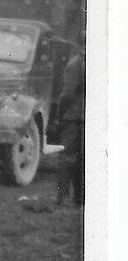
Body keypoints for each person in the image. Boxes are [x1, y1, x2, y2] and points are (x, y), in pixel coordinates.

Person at [53, 47, 85, 206]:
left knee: (66, 158)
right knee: (82, 158)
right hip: (89, 117)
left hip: (72, 117)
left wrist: (59, 114)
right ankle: (80, 198)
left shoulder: (75, 64)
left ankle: (63, 197)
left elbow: (68, 94)